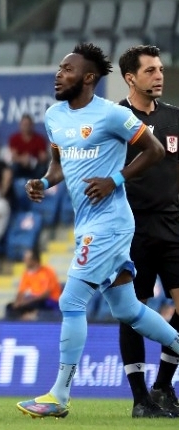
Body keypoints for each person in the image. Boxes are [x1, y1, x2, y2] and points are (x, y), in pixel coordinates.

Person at [16, 42, 179, 419]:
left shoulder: (110, 115)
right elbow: (59, 166)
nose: (59, 74)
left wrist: (115, 179)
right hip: (86, 223)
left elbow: (154, 150)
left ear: (89, 78)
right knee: (129, 309)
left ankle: (58, 396)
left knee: (70, 301)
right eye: (59, 68)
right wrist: (43, 181)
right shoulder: (54, 116)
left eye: (67, 70)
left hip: (110, 223)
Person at [117, 44, 179, 417]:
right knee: (132, 312)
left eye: (160, 69)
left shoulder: (175, 118)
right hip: (130, 231)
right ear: (130, 78)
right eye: (150, 71)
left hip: (172, 227)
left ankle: (162, 386)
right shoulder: (114, 119)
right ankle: (141, 399)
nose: (159, 75)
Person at [5, 249, 60, 321]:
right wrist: (17, 302)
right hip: (33, 300)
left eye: (26, 259)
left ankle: (31, 317)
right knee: (10, 307)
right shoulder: (26, 274)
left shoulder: (47, 271)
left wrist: (26, 302)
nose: (24, 260)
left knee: (37, 304)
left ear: (34, 260)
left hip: (49, 300)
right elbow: (21, 291)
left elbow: (45, 294)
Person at [8, 114, 48, 179]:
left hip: (34, 165)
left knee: (43, 168)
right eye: (24, 124)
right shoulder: (14, 139)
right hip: (20, 165)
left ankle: (37, 186)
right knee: (13, 167)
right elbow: (13, 156)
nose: (26, 127)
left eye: (28, 124)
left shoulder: (39, 139)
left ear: (32, 125)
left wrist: (31, 160)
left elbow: (43, 157)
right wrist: (23, 159)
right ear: (20, 125)